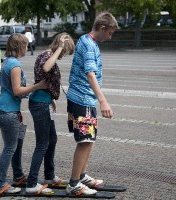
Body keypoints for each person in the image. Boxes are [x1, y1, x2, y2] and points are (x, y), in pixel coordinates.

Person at [65, 12, 118, 195]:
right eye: (110, 33)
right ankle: (73, 184)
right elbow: (90, 73)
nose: (110, 37)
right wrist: (103, 101)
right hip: (82, 99)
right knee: (85, 141)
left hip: (81, 98)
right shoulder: (89, 45)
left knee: (89, 138)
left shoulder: (85, 40)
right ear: (102, 28)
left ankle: (81, 176)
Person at [0, 33, 47, 195]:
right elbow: (17, 90)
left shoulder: (7, 62)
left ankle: (18, 176)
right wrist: (37, 86)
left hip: (6, 109)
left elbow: (9, 89)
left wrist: (17, 111)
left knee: (15, 145)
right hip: (7, 112)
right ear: (19, 47)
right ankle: (0, 183)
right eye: (26, 45)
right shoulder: (15, 65)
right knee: (10, 148)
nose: (27, 48)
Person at [25, 33, 75, 194]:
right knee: (42, 144)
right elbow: (46, 68)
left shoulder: (46, 55)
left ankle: (49, 176)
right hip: (40, 104)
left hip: (44, 101)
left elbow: (46, 77)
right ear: (60, 46)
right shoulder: (47, 55)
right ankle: (32, 183)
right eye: (65, 52)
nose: (64, 55)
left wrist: (52, 97)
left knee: (52, 139)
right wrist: (59, 47)